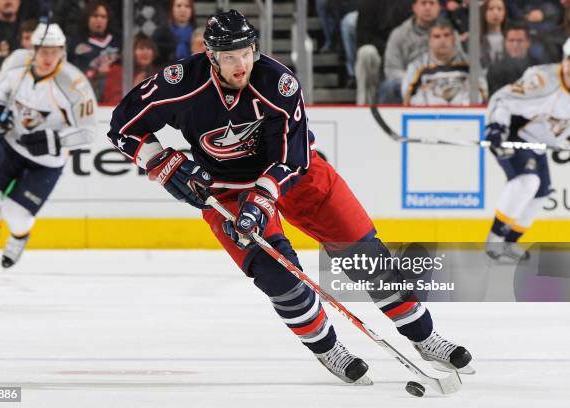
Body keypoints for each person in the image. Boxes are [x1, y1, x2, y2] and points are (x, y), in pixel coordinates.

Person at [107, 9, 472, 382]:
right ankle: (330, 349)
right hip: (227, 191)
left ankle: (426, 338)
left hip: (298, 175)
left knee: (366, 255)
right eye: (230, 56)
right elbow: (122, 126)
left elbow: (291, 157)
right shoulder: (180, 83)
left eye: (247, 52)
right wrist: (163, 163)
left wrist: (263, 199)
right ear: (211, 56)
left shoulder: (278, 81)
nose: (241, 64)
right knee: (278, 278)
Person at [0, 23, 97, 274]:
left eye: (54, 51)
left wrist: (55, 140)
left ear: (62, 51)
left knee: (15, 213)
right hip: (10, 143)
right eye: (43, 50)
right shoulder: (16, 62)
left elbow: (88, 132)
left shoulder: (75, 84)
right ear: (33, 49)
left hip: (47, 161)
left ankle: (19, 238)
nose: (47, 57)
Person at [485, 37, 570, 260]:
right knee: (528, 182)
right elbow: (503, 99)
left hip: (538, 145)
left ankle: (509, 243)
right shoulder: (543, 81)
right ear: (564, 60)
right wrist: (496, 127)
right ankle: (494, 242)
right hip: (514, 135)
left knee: (542, 193)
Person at [402, 18, 487, 105]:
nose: (442, 40)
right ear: (429, 41)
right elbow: (407, 96)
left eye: (446, 35)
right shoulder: (417, 66)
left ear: (453, 38)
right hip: (428, 115)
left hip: (464, 114)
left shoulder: (470, 64)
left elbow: (483, 93)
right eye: (437, 36)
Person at [381, 0, 443, 103]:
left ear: (439, 8)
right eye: (423, 3)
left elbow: (459, 64)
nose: (427, 8)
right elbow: (392, 69)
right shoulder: (398, 34)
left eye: (432, 3)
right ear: (414, 7)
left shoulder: (449, 34)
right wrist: (415, 82)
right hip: (407, 82)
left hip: (442, 82)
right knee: (389, 87)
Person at [68, 0, 121, 101]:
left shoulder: (118, 41)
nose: (99, 20)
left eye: (103, 17)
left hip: (113, 95)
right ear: (87, 18)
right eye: (95, 16)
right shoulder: (76, 42)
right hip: (85, 93)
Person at [101, 33, 160, 104]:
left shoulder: (157, 74)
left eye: (149, 48)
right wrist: (134, 89)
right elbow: (113, 103)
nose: (145, 52)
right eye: (141, 48)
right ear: (130, 52)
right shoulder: (117, 71)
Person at [487, 22, 539, 94]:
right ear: (505, 43)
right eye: (511, 40)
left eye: (520, 40)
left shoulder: (539, 68)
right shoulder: (494, 70)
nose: (515, 45)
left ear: (528, 43)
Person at [480, 0, 508, 69]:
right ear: (484, 12)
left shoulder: (511, 39)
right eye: (490, 9)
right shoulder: (474, 39)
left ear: (504, 13)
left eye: (499, 9)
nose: (495, 13)